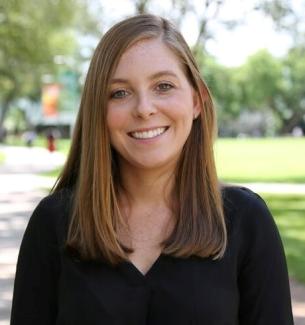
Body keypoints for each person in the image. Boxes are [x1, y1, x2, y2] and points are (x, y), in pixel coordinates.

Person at [11, 14, 293, 325]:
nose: (144, 108)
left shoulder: (246, 221)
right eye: (120, 92)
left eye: (163, 86)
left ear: (197, 100)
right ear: (98, 111)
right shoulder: (55, 223)